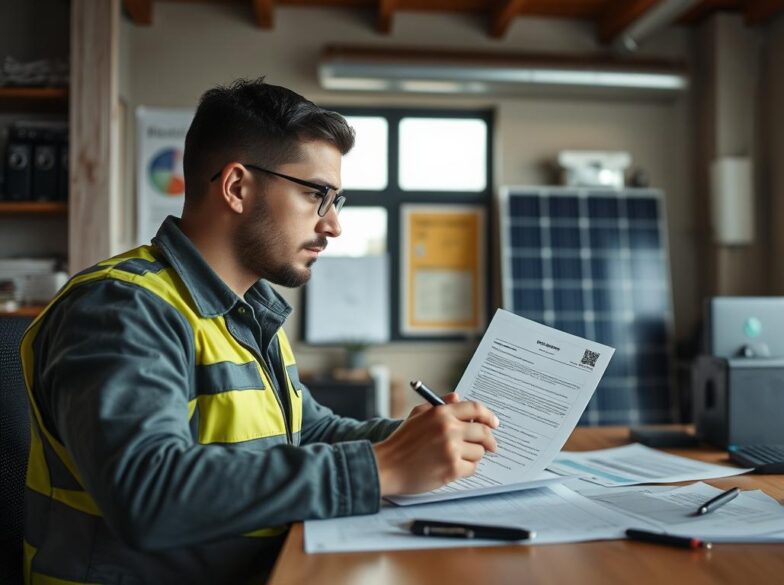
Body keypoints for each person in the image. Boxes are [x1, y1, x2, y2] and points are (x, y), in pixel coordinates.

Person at [20, 78, 499, 584]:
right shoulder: (121, 308)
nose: (333, 225)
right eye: (317, 195)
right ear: (236, 187)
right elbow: (148, 492)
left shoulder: (246, 312)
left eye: (337, 200)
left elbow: (307, 431)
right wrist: (382, 467)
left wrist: (422, 438)